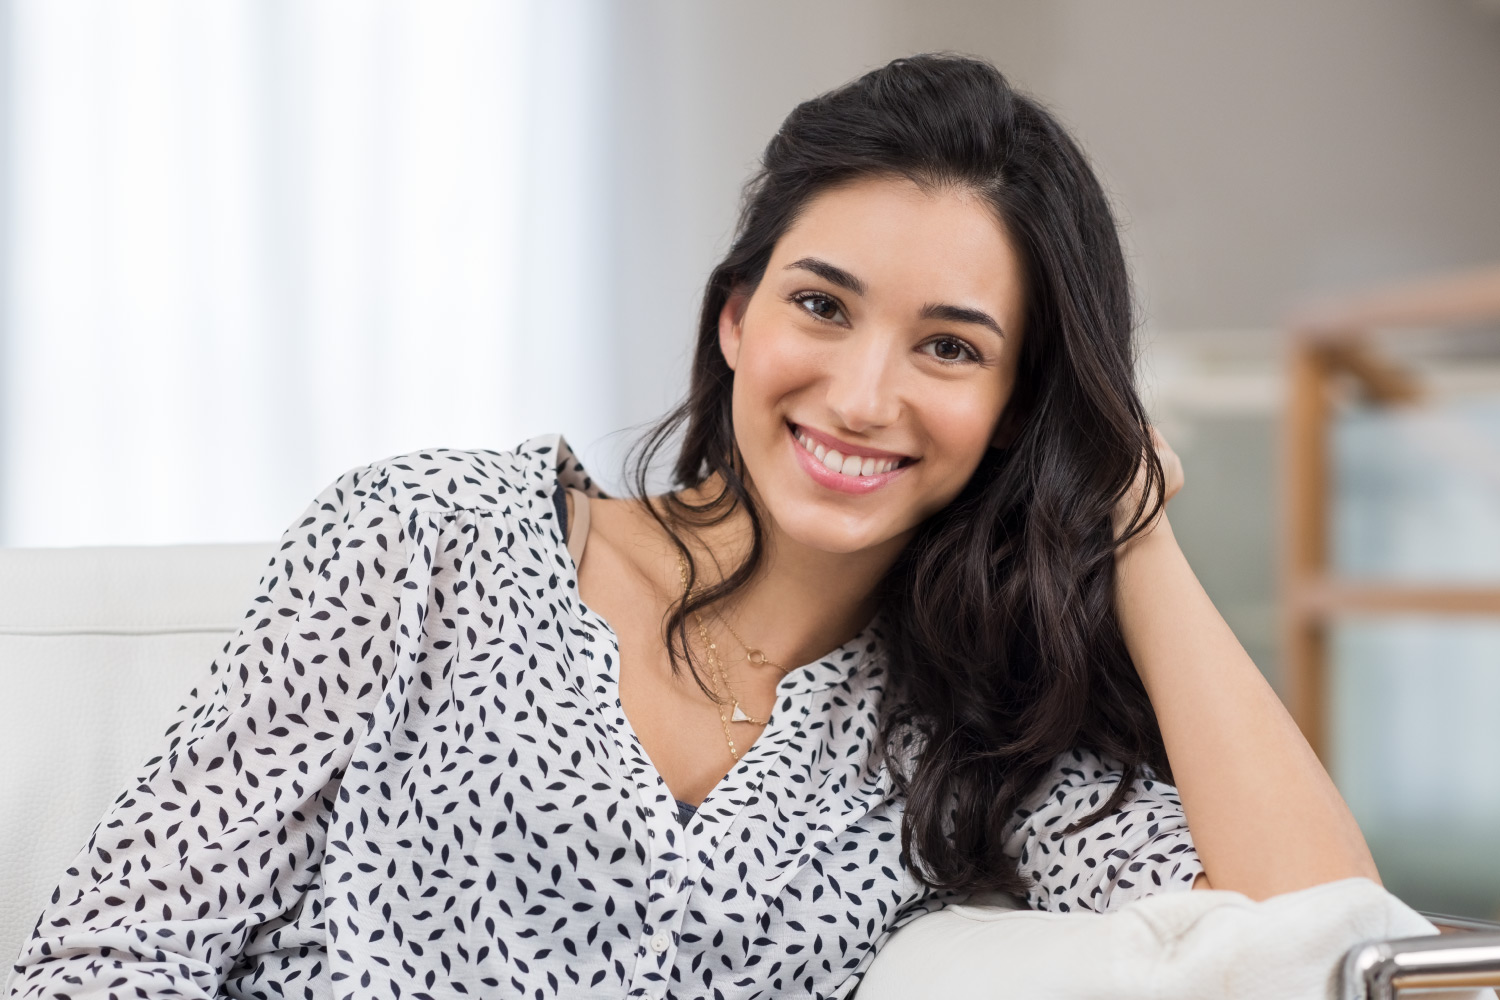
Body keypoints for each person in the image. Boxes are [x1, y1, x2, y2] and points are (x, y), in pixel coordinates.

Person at [6, 54, 1377, 1000]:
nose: (860, 393)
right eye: (822, 306)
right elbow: (110, 959)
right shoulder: (425, 537)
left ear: (1021, 411)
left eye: (950, 349)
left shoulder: (973, 738)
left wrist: (1128, 516)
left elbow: (1326, 946)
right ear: (736, 318)